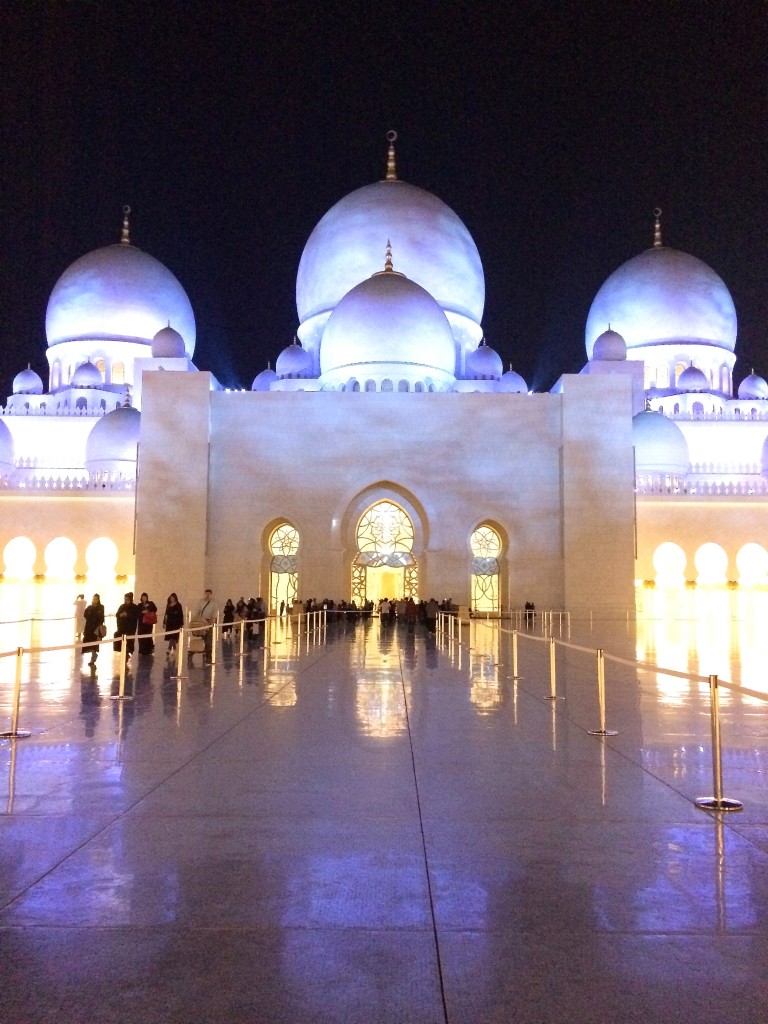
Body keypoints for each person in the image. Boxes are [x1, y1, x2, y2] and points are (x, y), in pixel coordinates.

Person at [194, 588, 218, 662]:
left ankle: (208, 653)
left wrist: (213, 620)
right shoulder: (201, 602)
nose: (207, 595)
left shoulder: (213, 603)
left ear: (211, 594)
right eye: (206, 594)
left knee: (209, 638)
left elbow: (214, 612)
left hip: (209, 621)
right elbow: (197, 611)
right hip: (202, 621)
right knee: (204, 637)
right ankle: (205, 651)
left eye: (208, 594)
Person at [83, 593, 105, 668]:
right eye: (93, 599)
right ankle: (93, 656)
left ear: (98, 599)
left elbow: (101, 618)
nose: (94, 600)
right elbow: (85, 615)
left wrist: (95, 610)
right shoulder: (90, 607)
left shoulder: (101, 607)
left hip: (96, 629)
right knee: (88, 643)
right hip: (89, 628)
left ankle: (93, 658)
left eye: (96, 599)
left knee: (94, 644)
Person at [115, 592, 140, 657]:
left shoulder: (134, 607)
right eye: (125, 599)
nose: (126, 601)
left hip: (130, 628)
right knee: (121, 643)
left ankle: (128, 654)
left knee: (130, 644)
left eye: (127, 599)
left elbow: (136, 616)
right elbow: (117, 614)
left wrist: (127, 615)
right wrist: (121, 615)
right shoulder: (122, 606)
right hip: (122, 628)